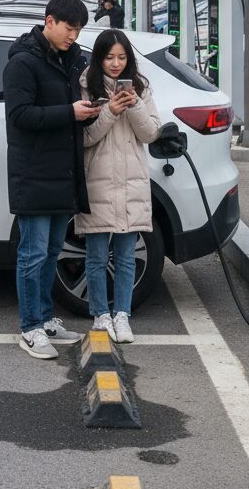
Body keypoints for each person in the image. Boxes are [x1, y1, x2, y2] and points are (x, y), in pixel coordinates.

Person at [3, 0, 101, 360]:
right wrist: (70, 113)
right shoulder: (23, 63)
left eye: (78, 30)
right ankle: (29, 328)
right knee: (32, 254)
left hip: (64, 171)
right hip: (34, 171)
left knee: (51, 253)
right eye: (68, 28)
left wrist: (89, 112)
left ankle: (44, 319)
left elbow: (71, 111)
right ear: (49, 21)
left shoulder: (73, 60)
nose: (73, 36)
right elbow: (20, 115)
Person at [78, 29, 161, 343]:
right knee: (97, 255)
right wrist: (110, 111)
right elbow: (85, 137)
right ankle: (101, 314)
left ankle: (122, 314)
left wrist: (134, 104)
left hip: (131, 181)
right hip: (97, 179)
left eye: (121, 57)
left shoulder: (140, 87)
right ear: (99, 58)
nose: (115, 63)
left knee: (126, 255)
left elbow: (150, 133)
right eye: (109, 57)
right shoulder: (86, 85)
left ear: (129, 59)